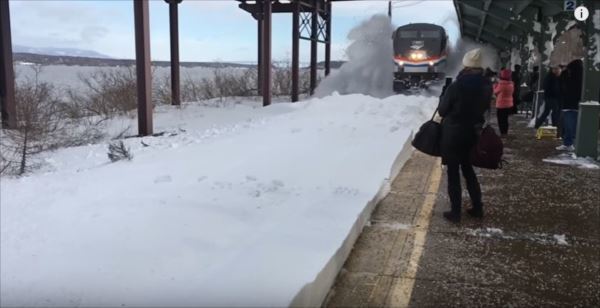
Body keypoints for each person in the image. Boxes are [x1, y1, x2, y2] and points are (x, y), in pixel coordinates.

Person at [438, 48, 492, 223]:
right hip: (473, 134)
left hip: (453, 134)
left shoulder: (456, 86)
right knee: (469, 171)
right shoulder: (486, 85)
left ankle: (455, 212)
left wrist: (444, 95)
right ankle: (477, 207)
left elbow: (443, 110)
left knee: (453, 173)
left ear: (466, 66)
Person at [557, 59, 583, 151]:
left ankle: (568, 143)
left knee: (569, 125)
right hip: (578, 103)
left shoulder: (567, 76)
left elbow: (561, 87)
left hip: (568, 104)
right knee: (573, 125)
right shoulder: (582, 77)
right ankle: (570, 142)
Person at [493, 69, 514, 136]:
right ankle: (505, 132)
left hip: (501, 105)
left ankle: (502, 132)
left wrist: (494, 86)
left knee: (500, 119)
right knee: (505, 119)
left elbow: (495, 92)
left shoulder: (501, 84)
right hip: (508, 104)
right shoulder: (511, 84)